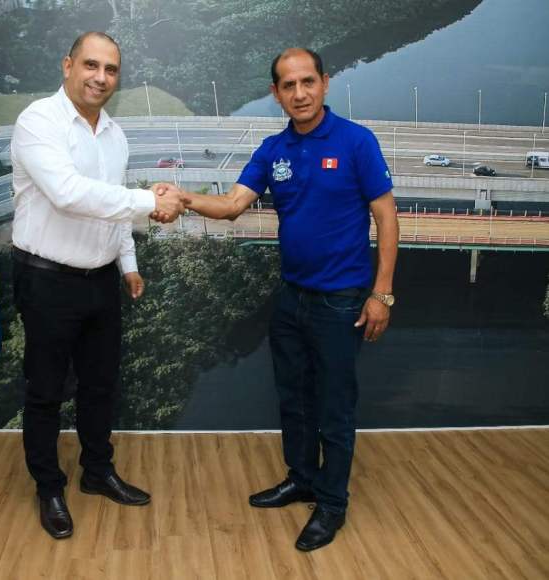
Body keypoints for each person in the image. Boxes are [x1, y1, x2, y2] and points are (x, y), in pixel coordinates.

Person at [172, 48, 399, 551]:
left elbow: (386, 216)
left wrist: (381, 293)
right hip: (292, 298)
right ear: (276, 93)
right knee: (294, 399)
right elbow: (232, 205)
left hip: (342, 302)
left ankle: (332, 504)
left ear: (324, 83)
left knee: (334, 407)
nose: (300, 93)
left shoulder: (356, 141)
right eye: (288, 85)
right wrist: (183, 199)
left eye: (307, 82)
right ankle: (302, 479)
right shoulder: (273, 150)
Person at [10, 31, 184, 540]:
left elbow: (111, 206)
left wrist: (128, 263)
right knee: (46, 391)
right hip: (46, 280)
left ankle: (97, 471)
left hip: (102, 280)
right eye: (91, 65)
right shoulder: (38, 121)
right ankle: (49, 487)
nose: (100, 78)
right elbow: (68, 194)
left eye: (110, 70)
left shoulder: (114, 134)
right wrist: (152, 202)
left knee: (100, 385)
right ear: (67, 65)